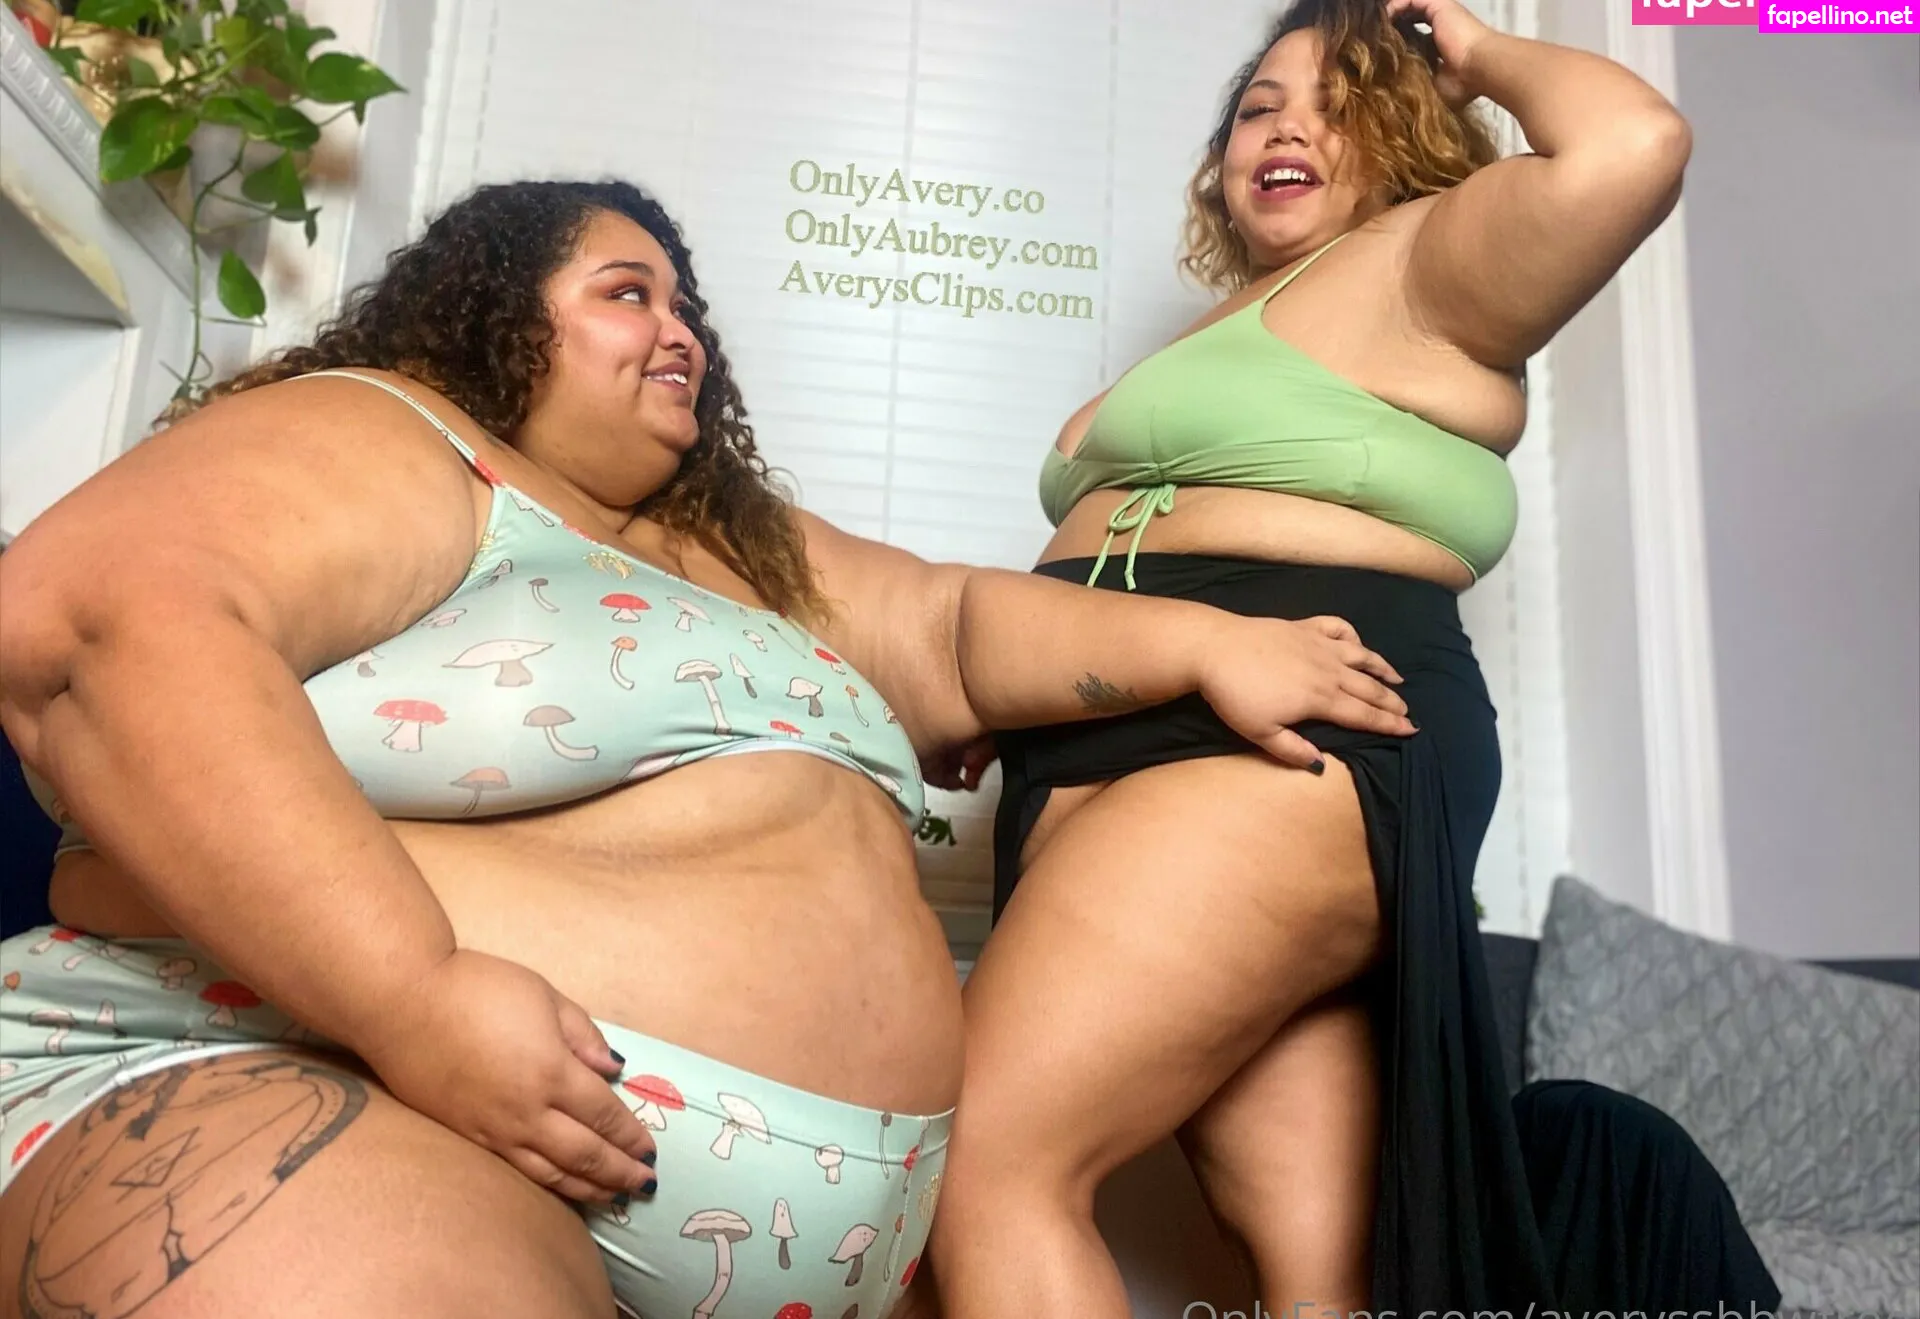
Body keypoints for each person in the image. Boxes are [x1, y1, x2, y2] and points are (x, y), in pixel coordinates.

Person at [0, 179, 1416, 1319]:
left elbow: (952, 631)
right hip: (355, 1097)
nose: (679, 330)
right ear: (488, 310)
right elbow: (100, 625)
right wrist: (411, 996)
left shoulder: (734, 548)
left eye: (686, 305)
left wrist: (1207, 643)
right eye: (627, 293)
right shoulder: (398, 433)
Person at [928, 0, 1781, 1313]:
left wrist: (1468, 48)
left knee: (986, 1156)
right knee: (1320, 1268)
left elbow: (1634, 144)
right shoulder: (1235, 319)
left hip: (1291, 716)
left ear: (1411, 133)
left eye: (1344, 102)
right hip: (1121, 727)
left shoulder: (1428, 257)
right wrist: (1029, 671)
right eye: (1259, 107)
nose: (1286, 129)